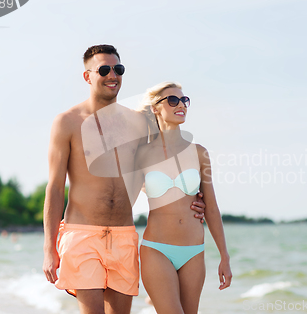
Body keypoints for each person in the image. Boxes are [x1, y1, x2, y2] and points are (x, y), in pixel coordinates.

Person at [42, 45, 206, 314]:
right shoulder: (67, 122)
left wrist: (194, 199)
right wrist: (50, 249)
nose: (112, 75)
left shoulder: (139, 124)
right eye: (104, 69)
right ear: (87, 76)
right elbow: (55, 187)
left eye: (118, 69)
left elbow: (161, 164)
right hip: (82, 234)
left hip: (124, 235)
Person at [135, 82, 232, 314]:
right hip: (156, 250)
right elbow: (120, 198)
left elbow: (211, 208)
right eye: (172, 100)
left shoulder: (200, 152)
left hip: (194, 252)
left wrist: (224, 257)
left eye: (184, 100)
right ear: (156, 109)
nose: (181, 105)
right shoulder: (141, 154)